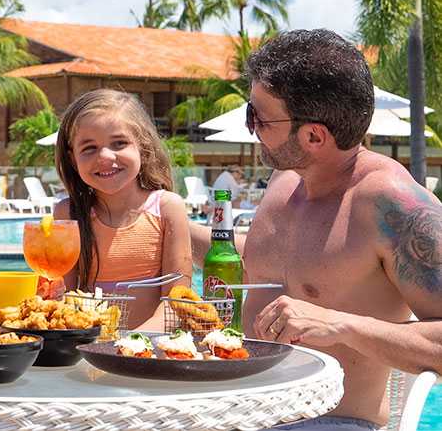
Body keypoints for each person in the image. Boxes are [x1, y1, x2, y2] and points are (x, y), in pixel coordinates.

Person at [190, 29, 442, 430]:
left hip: (332, 421)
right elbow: (266, 260)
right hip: (241, 413)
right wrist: (162, 217)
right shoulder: (285, 180)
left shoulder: (390, 204)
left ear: (313, 135)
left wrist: (339, 325)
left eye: (258, 117)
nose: (252, 128)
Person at [54, 89, 192, 330]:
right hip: (87, 348)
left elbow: (176, 303)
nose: (105, 156)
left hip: (149, 348)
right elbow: (63, 300)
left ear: (143, 146)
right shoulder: (68, 214)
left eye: (119, 143)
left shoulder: (168, 208)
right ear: (73, 158)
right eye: (89, 148)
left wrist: (131, 343)